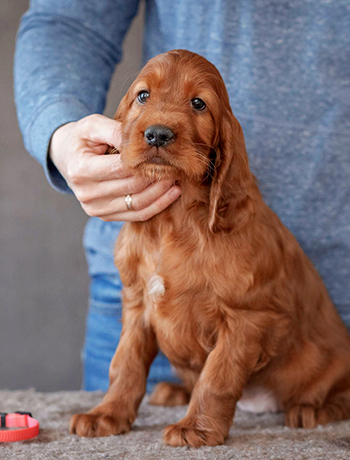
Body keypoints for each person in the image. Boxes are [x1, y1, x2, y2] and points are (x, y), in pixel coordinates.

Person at [14, 0, 350, 392]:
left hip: (315, 326)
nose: (160, 126)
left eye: (197, 104)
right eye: (142, 96)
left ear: (225, 145)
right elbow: (67, 18)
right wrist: (61, 134)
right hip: (148, 326)